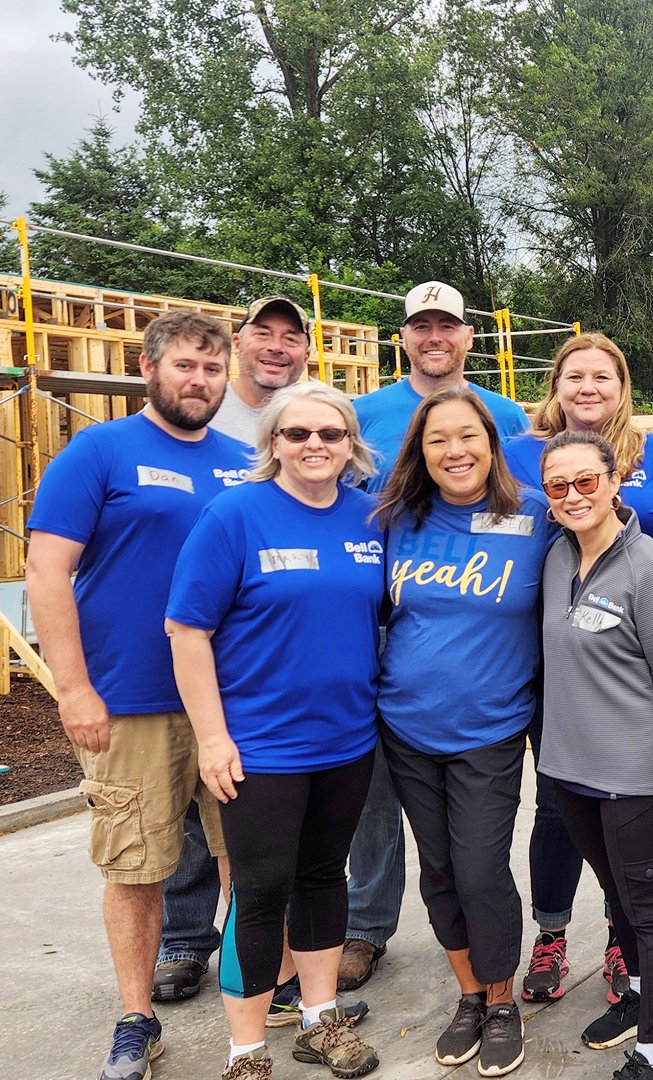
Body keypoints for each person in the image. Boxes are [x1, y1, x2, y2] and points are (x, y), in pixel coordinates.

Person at [24, 311, 249, 1080]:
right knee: (135, 866)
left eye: (213, 368)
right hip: (132, 699)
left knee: (246, 859)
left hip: (232, 700)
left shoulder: (244, 463)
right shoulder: (101, 451)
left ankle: (257, 996)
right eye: (185, 365)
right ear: (149, 369)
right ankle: (136, 1019)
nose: (200, 380)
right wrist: (73, 689)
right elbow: (47, 570)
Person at [165, 381, 385, 1080]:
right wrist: (212, 738)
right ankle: (246, 1050)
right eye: (298, 433)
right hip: (261, 748)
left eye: (331, 433)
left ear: (351, 444)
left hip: (347, 742)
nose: (315, 444)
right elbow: (186, 631)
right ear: (273, 444)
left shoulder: (369, 517)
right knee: (260, 894)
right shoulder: (235, 515)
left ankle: (320, 1021)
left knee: (323, 879)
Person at [339, 280, 529, 993]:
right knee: (408, 841)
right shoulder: (367, 423)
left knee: (477, 864)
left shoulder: (510, 421)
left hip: (491, 699)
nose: (434, 336)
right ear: (405, 337)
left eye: (446, 324)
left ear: (468, 335)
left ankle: (499, 992)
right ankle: (375, 931)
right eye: (420, 325)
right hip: (402, 684)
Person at [503, 331, 653, 1005]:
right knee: (556, 807)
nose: (588, 387)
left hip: (617, 650)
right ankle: (551, 933)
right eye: (574, 375)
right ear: (555, 385)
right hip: (544, 648)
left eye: (602, 376)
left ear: (622, 386)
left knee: (621, 818)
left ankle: (622, 937)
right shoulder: (516, 453)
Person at [375, 385, 551, 1077]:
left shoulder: (535, 517)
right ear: (419, 451)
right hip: (406, 726)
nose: (455, 450)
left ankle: (503, 1001)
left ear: (491, 443)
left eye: (468, 436)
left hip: (491, 728)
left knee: (480, 869)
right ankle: (470, 995)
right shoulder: (395, 519)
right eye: (438, 439)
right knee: (440, 870)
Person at [154, 294, 311, 1006]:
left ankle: (277, 967)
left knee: (244, 838)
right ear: (240, 342)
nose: (277, 346)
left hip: (259, 664)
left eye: (291, 336)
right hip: (176, 648)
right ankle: (188, 941)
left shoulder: (304, 418)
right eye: (263, 333)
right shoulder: (195, 420)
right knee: (190, 821)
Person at [537, 429, 653, 1080]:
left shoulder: (649, 569)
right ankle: (633, 997)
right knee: (618, 897)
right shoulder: (556, 558)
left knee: (650, 911)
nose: (573, 496)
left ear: (613, 483)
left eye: (586, 481)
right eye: (558, 485)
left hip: (631, 777)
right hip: (568, 772)